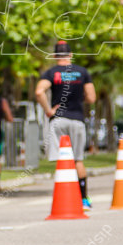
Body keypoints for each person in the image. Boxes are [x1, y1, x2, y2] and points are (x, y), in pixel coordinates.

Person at [35, 40, 97, 207]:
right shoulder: (82, 72)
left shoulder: (51, 73)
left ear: (55, 56)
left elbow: (39, 91)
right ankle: (84, 199)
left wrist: (48, 110)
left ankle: (64, 200)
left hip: (59, 120)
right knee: (78, 160)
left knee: (62, 160)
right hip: (77, 119)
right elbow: (91, 97)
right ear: (70, 55)